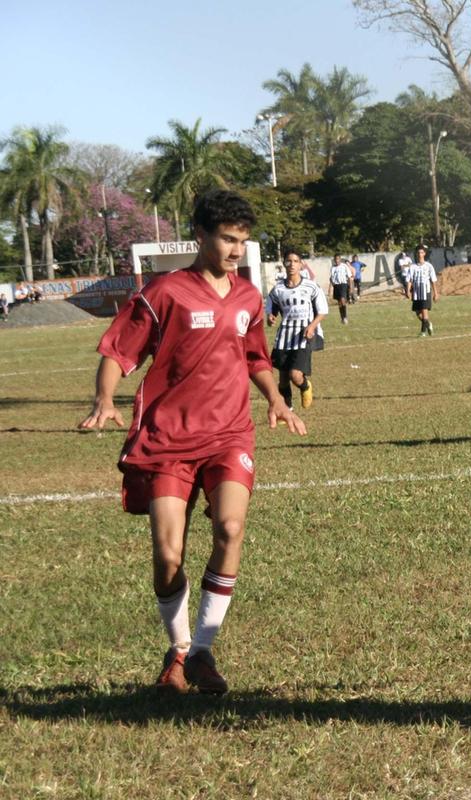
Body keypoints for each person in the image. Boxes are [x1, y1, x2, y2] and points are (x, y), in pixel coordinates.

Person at [77, 190, 306, 696]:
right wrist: (104, 399)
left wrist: (276, 399)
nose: (235, 251)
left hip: (229, 434)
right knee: (167, 554)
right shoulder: (167, 292)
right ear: (200, 235)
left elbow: (255, 357)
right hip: (169, 438)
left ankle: (201, 650)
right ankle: (178, 649)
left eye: (242, 241)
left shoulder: (247, 296)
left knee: (229, 526)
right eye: (227, 239)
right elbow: (119, 349)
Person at [267, 248, 328, 410]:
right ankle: (287, 409)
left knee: (295, 375)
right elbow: (271, 305)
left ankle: (305, 386)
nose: (292, 264)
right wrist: (271, 316)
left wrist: (312, 326)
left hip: (303, 335)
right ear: (284, 264)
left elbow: (322, 311)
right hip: (284, 336)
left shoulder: (311, 287)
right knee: (283, 378)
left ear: (301, 264)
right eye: (288, 261)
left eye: (295, 261)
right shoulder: (278, 289)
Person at [406, 245, 439, 337]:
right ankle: (428, 324)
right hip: (416, 292)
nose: (419, 254)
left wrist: (435, 293)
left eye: (421, 252)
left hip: (426, 291)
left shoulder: (429, 266)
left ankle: (423, 332)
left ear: (424, 254)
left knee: (424, 312)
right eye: (418, 252)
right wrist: (408, 291)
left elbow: (433, 280)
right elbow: (409, 280)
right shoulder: (412, 267)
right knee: (418, 313)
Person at [329, 255, 353, 324]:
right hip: (336, 286)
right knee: (339, 303)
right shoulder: (333, 268)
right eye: (335, 259)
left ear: (340, 259)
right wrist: (330, 287)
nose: (336, 260)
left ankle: (345, 317)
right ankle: (342, 317)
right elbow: (331, 278)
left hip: (343, 284)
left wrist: (351, 287)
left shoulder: (344, 266)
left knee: (343, 300)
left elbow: (349, 276)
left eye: (338, 259)